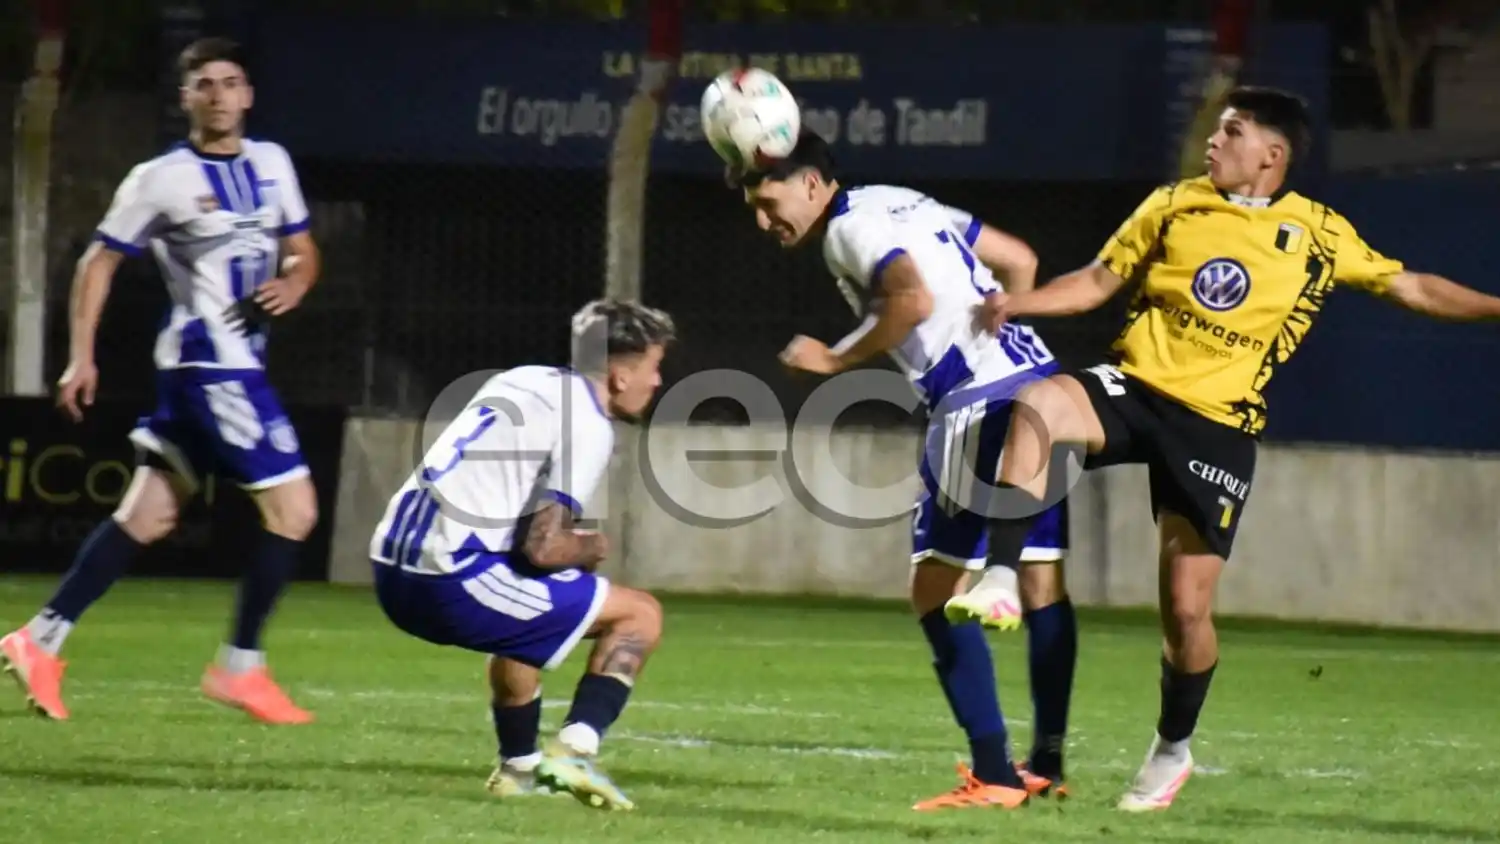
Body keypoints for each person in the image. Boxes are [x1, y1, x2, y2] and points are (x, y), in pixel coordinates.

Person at [947, 86, 1500, 812]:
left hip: (1218, 424)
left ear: (1272, 154)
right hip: (1137, 387)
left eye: (1231, 131)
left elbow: (1414, 287)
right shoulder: (1174, 203)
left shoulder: (1320, 233)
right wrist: (1023, 301)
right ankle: (999, 575)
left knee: (1185, 611)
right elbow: (1097, 281)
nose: (1213, 141)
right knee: (1039, 404)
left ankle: (1172, 748)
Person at [737, 132, 1077, 810]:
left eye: (771, 203)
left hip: (978, 404)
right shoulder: (900, 200)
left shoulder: (846, 229)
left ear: (812, 184)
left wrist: (835, 360)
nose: (764, 222)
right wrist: (1003, 327)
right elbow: (1019, 259)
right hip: (1045, 386)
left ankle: (995, 774)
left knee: (934, 589)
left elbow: (911, 300)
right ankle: (1046, 762)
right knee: (1040, 580)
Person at [0, 37, 323, 725]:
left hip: (233, 364)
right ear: (186, 99)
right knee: (295, 512)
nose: (218, 95)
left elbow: (303, 251)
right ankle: (240, 666)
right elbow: (99, 261)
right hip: (209, 363)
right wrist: (80, 356)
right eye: (204, 84)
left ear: (248, 95)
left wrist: (297, 281)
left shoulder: (272, 163)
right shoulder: (159, 178)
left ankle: (40, 638)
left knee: (149, 515)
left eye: (230, 82)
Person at [369, 299, 675, 812]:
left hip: (390, 566)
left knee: (523, 611)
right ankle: (575, 750)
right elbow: (545, 546)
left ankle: (518, 769)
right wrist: (591, 546)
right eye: (654, 366)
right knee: (640, 614)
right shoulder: (588, 422)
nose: (658, 380)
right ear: (620, 375)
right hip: (448, 578)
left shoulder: (520, 379)